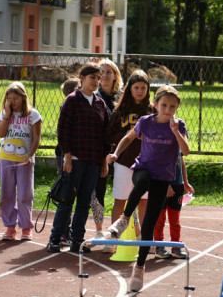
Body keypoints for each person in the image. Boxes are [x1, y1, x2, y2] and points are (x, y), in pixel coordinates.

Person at [106, 86, 190, 293]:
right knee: (141, 182)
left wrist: (175, 132)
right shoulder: (145, 122)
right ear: (155, 104)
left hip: (163, 177)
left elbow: (186, 150)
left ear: (177, 107)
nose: (167, 110)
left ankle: (140, 267)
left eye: (172, 106)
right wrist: (116, 153)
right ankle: (125, 218)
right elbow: (128, 137)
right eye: (163, 105)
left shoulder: (179, 125)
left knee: (148, 226)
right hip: (142, 169)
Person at [48, 63, 111, 254]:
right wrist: (67, 156)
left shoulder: (100, 104)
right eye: (92, 77)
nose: (95, 81)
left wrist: (104, 160)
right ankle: (55, 239)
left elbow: (105, 135)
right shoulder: (72, 100)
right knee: (67, 199)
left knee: (84, 202)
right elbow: (63, 129)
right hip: (74, 159)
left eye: (98, 77)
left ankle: (77, 239)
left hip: (93, 160)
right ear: (82, 78)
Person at [105, 69, 155, 246]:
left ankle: (143, 239)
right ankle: (112, 239)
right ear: (130, 89)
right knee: (120, 199)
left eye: (143, 87)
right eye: (136, 87)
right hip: (124, 162)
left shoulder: (152, 110)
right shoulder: (121, 110)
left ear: (148, 90)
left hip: (146, 164)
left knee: (144, 201)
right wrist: (128, 135)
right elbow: (109, 135)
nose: (140, 91)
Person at [0, 81, 42, 241]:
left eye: (15, 98)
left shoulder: (33, 115)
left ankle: (26, 227)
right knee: (6, 194)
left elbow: (36, 138)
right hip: (5, 159)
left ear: (23, 98)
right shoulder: (4, 114)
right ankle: (10, 227)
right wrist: (7, 115)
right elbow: (0, 134)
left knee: (25, 194)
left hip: (24, 160)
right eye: (9, 98)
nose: (12, 102)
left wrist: (30, 155)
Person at [92, 59, 122, 237]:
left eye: (108, 71)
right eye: (100, 72)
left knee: (124, 192)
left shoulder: (124, 97)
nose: (104, 75)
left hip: (121, 151)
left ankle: (124, 230)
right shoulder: (94, 97)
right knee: (98, 191)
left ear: (115, 75)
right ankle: (98, 230)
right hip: (100, 152)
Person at [153, 154, 193, 260]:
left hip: (178, 185)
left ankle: (176, 247)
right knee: (160, 219)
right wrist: (167, 185)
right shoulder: (163, 143)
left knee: (175, 219)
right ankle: (159, 247)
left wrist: (185, 182)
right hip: (162, 185)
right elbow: (159, 165)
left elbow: (182, 162)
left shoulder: (179, 142)